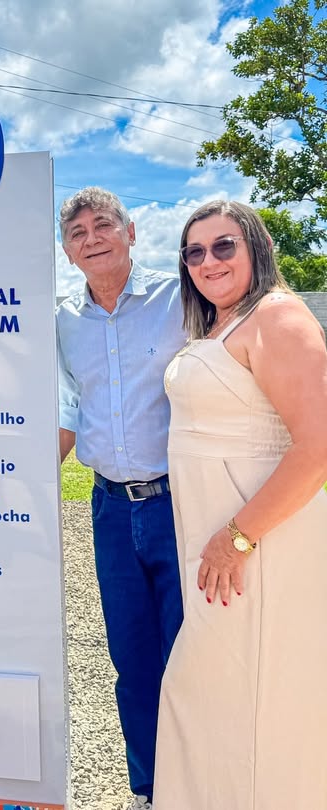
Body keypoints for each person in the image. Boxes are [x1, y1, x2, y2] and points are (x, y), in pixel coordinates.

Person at [153, 201, 327, 808]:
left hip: (257, 547)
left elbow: (318, 447)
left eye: (224, 245)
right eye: (195, 252)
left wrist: (239, 537)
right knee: (217, 700)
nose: (210, 261)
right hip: (217, 544)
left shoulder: (278, 317)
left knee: (244, 696)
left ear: (258, 246)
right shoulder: (223, 324)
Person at [56, 187, 186, 810]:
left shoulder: (181, 299)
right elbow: (67, 408)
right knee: (131, 658)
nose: (92, 238)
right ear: (67, 251)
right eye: (77, 233)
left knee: (192, 653)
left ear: (131, 231)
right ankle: (149, 788)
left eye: (102, 224)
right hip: (108, 508)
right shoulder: (63, 322)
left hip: (180, 504)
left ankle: (201, 784)